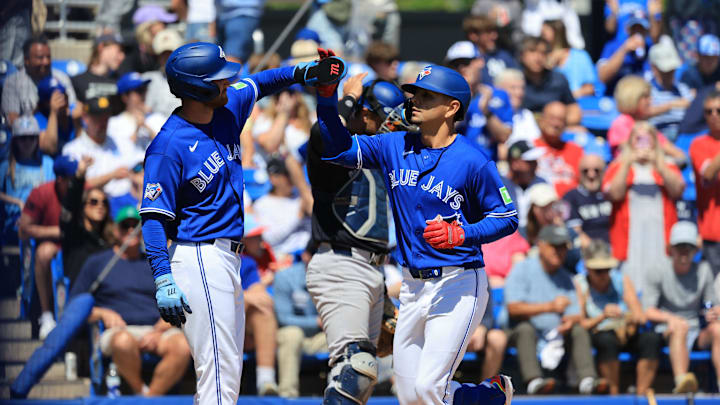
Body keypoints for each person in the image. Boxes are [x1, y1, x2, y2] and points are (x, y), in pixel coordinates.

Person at [138, 42, 346, 405]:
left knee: (225, 372)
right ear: (196, 88)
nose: (226, 84)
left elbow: (260, 82)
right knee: (219, 371)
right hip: (199, 255)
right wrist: (162, 276)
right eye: (217, 80)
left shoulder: (227, 108)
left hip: (228, 258)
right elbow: (154, 219)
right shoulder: (168, 145)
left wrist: (304, 73)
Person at [314, 57, 516, 404]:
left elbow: (508, 216)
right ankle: (487, 397)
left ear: (452, 107)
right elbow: (336, 149)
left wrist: (463, 234)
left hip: (459, 281)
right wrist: (329, 98)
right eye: (414, 94)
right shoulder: (394, 145)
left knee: (428, 388)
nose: (415, 101)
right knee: (409, 396)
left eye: (426, 96)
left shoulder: (472, 159)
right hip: (411, 286)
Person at [305, 71, 407, 404]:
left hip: (371, 270)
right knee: (355, 367)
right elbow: (322, 132)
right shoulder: (334, 150)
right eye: (386, 120)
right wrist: (347, 98)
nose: (393, 128)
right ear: (364, 113)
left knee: (361, 379)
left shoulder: (379, 152)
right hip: (341, 263)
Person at [69, 206, 192, 396]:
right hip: (119, 330)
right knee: (123, 341)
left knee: (183, 346)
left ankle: (149, 398)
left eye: (136, 225)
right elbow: (74, 307)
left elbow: (177, 300)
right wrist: (103, 313)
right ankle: (140, 391)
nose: (130, 230)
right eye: (125, 225)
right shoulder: (98, 262)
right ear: (114, 229)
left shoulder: (157, 263)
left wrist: (161, 327)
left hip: (156, 330)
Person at [505, 225, 608, 395]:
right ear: (541, 244)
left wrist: (570, 321)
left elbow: (577, 314)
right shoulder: (522, 269)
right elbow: (513, 308)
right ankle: (534, 382)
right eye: (555, 246)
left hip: (556, 333)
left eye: (563, 247)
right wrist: (549, 307)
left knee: (578, 329)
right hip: (519, 331)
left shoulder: (566, 277)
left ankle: (587, 380)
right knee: (525, 329)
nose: (559, 251)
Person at [603, 121, 685, 291]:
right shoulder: (618, 166)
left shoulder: (667, 165)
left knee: (660, 274)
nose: (643, 144)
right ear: (630, 141)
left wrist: (659, 164)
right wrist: (626, 163)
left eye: (648, 139)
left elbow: (677, 190)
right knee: (631, 278)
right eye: (638, 138)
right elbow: (614, 194)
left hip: (660, 234)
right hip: (630, 236)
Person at [574, 239, 661, 395]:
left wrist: (628, 316)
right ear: (587, 268)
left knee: (651, 339)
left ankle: (642, 395)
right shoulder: (579, 284)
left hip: (626, 332)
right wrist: (603, 316)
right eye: (598, 271)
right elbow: (581, 324)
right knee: (606, 340)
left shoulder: (621, 279)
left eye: (607, 269)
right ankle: (613, 396)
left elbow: (640, 316)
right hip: (599, 334)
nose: (604, 275)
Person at [643, 221, 720, 394]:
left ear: (696, 250)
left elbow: (710, 303)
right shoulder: (657, 270)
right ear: (671, 249)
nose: (684, 251)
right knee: (680, 327)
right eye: (680, 246)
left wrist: (712, 312)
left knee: (718, 329)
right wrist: (671, 318)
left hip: (696, 331)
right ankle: (682, 382)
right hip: (668, 329)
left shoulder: (704, 270)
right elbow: (648, 310)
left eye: (689, 246)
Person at [17, 156, 75, 339]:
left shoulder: (82, 191)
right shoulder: (41, 193)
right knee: (44, 252)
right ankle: (47, 314)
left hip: (77, 245)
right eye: (72, 178)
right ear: (61, 179)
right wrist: (57, 232)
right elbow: (23, 230)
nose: (76, 181)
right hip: (52, 246)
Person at [447, 41, 513, 162]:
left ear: (480, 62)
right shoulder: (445, 97)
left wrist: (486, 111)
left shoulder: (498, 95)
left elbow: (504, 136)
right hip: (455, 163)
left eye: (466, 63)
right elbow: (443, 131)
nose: (461, 68)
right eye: (455, 65)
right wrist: (465, 98)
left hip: (486, 164)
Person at [274, 260, 327, 398]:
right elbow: (283, 318)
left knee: (343, 337)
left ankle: (340, 396)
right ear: (306, 255)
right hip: (287, 336)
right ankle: (287, 396)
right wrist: (316, 322)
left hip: (318, 339)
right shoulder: (285, 277)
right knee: (293, 334)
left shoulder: (333, 277)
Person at [0, 115, 55, 248]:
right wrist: (16, 202)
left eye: (32, 138)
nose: (27, 143)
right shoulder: (6, 166)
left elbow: (54, 193)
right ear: (15, 141)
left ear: (37, 140)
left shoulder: (47, 163)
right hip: (14, 224)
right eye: (23, 138)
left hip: (40, 222)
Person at [61, 96, 132, 199]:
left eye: (106, 117)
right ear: (85, 118)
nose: (103, 122)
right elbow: (75, 186)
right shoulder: (73, 149)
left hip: (126, 202)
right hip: (92, 203)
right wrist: (112, 175)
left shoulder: (121, 143)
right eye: (98, 117)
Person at [60, 156, 114, 283]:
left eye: (104, 202)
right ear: (83, 207)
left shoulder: (109, 238)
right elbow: (70, 205)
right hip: (80, 295)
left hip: (107, 295)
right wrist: (79, 176)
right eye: (94, 202)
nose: (100, 205)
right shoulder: (73, 233)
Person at [1, 36, 77, 126]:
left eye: (48, 57)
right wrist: (40, 108)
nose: (46, 62)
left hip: (60, 133)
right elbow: (13, 123)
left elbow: (73, 110)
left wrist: (62, 108)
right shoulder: (12, 82)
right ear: (27, 60)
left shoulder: (61, 78)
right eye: (40, 58)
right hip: (29, 137)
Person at [607, 75, 686, 160]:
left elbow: (678, 155)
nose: (650, 101)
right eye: (645, 97)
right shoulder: (621, 123)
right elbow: (629, 153)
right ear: (632, 99)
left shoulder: (646, 126)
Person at [689, 89, 720, 275]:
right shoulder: (698, 144)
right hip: (713, 233)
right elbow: (708, 173)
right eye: (709, 111)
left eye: (719, 110)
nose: (714, 115)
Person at [519, 36, 582, 127]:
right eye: (532, 51)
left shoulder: (558, 80)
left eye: (543, 53)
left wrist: (555, 123)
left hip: (553, 130)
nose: (538, 57)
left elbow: (574, 112)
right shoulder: (515, 80)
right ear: (522, 55)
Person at [240, 255, 280, 395]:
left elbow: (264, 299)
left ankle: (266, 380)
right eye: (255, 238)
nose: (260, 242)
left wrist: (243, 298)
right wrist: (245, 297)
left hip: (241, 329)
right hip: (205, 327)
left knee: (263, 313)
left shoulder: (246, 261)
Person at [107, 72, 165, 164]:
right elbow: (121, 154)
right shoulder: (114, 123)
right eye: (139, 91)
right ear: (125, 97)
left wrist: (146, 127)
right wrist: (137, 129)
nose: (143, 95)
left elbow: (168, 147)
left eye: (144, 89)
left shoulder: (158, 118)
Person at [597, 9, 653, 97]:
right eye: (634, 29)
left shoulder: (651, 49)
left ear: (646, 31)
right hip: (615, 99)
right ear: (627, 29)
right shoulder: (612, 46)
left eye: (641, 30)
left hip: (641, 101)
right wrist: (624, 50)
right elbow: (602, 77)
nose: (637, 33)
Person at [533, 101, 584, 197]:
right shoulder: (530, 148)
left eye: (561, 120)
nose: (556, 124)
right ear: (541, 120)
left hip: (569, 205)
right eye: (552, 118)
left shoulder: (576, 150)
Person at [647, 37, 693, 141]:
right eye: (665, 70)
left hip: (685, 133)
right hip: (658, 134)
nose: (669, 74)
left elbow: (694, 109)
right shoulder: (647, 90)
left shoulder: (682, 89)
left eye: (672, 69)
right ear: (654, 68)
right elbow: (643, 113)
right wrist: (671, 105)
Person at [562, 154, 612, 248]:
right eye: (586, 171)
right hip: (587, 251)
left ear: (604, 172)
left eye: (596, 170)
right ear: (579, 173)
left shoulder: (611, 194)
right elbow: (576, 233)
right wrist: (597, 251)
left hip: (615, 247)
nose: (591, 175)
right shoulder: (570, 197)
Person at [541, 19, 597, 99]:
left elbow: (590, 88)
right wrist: (549, 63)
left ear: (556, 33)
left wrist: (569, 96)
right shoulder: (540, 57)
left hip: (578, 103)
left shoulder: (580, 56)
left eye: (543, 34)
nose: (541, 37)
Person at [70, 33, 125, 112]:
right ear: (101, 47)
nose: (122, 56)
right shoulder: (77, 81)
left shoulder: (121, 81)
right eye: (119, 51)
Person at [501, 140, 547, 233]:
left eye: (535, 161)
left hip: (536, 236)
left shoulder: (542, 183)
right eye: (529, 162)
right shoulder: (498, 185)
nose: (535, 165)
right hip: (506, 238)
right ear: (515, 163)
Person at [462, 15, 519, 86]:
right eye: (488, 32)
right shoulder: (463, 59)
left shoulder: (504, 56)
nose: (494, 36)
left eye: (495, 31)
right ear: (473, 35)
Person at [494, 69, 540, 145]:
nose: (519, 93)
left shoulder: (527, 115)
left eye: (522, 88)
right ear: (498, 89)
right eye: (513, 88)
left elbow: (536, 144)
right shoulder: (490, 115)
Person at [34, 75, 75, 156]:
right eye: (57, 97)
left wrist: (76, 122)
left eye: (64, 94)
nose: (63, 99)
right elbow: (50, 149)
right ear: (45, 103)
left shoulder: (73, 112)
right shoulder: (38, 119)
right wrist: (54, 113)